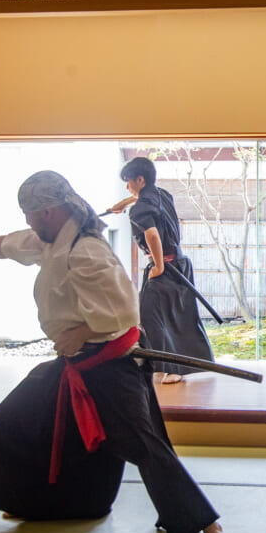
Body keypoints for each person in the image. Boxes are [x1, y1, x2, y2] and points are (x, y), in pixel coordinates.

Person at [0, 170, 240, 533]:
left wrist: (81, 332)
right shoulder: (53, 241)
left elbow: (125, 314)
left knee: (146, 447)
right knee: (13, 421)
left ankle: (212, 528)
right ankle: (40, 504)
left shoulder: (86, 251)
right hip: (74, 364)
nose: (27, 221)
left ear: (49, 211)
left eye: (30, 213)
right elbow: (6, 245)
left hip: (111, 368)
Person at [107, 157, 214, 385]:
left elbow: (152, 234)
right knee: (177, 317)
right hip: (180, 264)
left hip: (165, 267)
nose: (128, 187)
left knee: (149, 316)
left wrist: (158, 266)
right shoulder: (163, 194)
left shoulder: (139, 210)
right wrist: (124, 203)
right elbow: (145, 199)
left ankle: (170, 368)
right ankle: (168, 367)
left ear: (140, 179)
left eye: (129, 182)